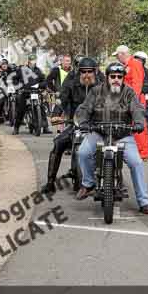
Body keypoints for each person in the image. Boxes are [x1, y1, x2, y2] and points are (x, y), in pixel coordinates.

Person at [74, 62, 148, 214]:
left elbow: (137, 109)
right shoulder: (95, 91)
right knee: (83, 152)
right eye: (113, 76)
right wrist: (83, 122)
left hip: (123, 134)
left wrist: (138, 122)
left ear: (123, 78)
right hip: (98, 132)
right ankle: (88, 183)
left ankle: (144, 202)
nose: (116, 79)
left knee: (136, 162)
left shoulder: (129, 92)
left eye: (119, 76)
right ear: (107, 77)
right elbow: (84, 108)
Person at [42, 57, 102, 194]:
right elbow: (61, 100)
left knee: (112, 146)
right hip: (76, 124)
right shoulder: (71, 84)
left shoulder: (102, 85)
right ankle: (50, 182)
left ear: (95, 71)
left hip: (97, 126)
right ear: (78, 72)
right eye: (83, 72)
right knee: (58, 143)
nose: (86, 75)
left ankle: (113, 177)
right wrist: (56, 114)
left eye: (89, 71)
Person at [115, 45, 148, 160]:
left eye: (117, 55)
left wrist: (131, 100)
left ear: (122, 54)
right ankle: (136, 151)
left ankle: (144, 153)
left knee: (139, 126)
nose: (116, 58)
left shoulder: (134, 64)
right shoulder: (128, 65)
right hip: (130, 99)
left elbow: (137, 84)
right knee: (132, 126)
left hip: (135, 99)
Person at [13, 54, 50, 135]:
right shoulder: (22, 69)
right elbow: (15, 79)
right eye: (31, 60)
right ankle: (16, 127)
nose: (33, 62)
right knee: (21, 109)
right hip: (25, 92)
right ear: (28, 60)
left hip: (35, 92)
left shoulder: (38, 70)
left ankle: (45, 127)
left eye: (34, 60)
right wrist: (18, 87)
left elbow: (44, 81)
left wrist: (40, 86)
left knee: (41, 107)